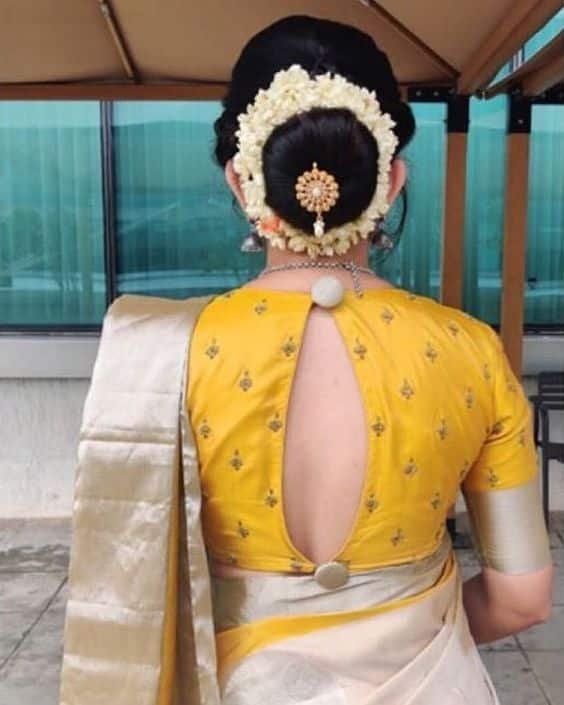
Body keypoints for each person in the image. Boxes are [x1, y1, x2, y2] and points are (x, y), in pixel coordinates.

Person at [58, 15, 553, 705]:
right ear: (391, 180)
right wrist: (402, 629)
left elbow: (128, 590)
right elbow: (522, 599)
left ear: (241, 181)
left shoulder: (157, 350)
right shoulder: (470, 350)